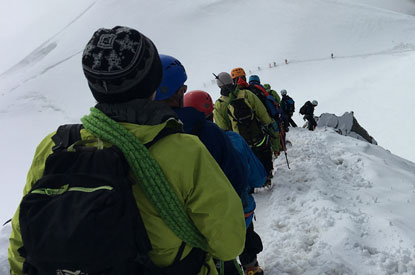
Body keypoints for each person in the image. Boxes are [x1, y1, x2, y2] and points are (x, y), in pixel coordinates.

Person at [7, 26, 245, 275]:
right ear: (153, 83)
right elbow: (229, 243)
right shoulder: (184, 150)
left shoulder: (55, 145)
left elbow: (20, 244)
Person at [155, 55, 265, 275]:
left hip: (174, 246)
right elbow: (248, 178)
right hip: (228, 222)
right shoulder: (222, 138)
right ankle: (251, 266)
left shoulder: (139, 142)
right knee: (241, 239)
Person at [182, 89, 267, 275]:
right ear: (213, 113)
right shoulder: (233, 139)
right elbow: (258, 177)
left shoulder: (179, 148)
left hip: (199, 220)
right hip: (239, 209)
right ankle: (251, 267)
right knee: (244, 237)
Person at [213, 70, 275, 186]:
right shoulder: (246, 94)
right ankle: (267, 174)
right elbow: (261, 111)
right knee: (263, 152)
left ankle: (251, 183)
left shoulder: (219, 104)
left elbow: (223, 128)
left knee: (247, 160)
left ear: (219, 85)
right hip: (257, 133)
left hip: (240, 139)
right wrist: (268, 123)